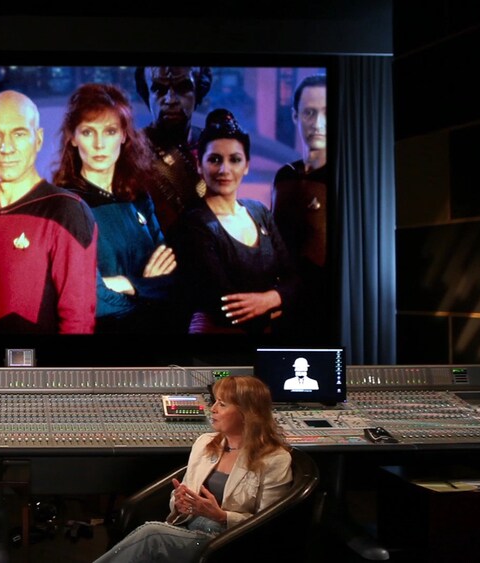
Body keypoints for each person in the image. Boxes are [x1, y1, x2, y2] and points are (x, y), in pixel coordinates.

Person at [95, 375, 291, 563]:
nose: (213, 409)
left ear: (248, 414)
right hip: (190, 527)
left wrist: (222, 516)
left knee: (152, 535)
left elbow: (267, 523)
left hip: (226, 541)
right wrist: (179, 502)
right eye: (215, 401)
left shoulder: (275, 459)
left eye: (222, 404)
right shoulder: (204, 443)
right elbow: (185, 494)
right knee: (148, 537)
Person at [0, 90, 98, 334]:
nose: (6, 147)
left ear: (38, 139)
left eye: (19, 134)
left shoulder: (67, 212)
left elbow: (78, 322)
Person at [52, 83, 177, 333]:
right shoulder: (65, 204)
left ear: (123, 135)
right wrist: (145, 290)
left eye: (109, 131)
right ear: (73, 138)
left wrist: (124, 283)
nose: (99, 144)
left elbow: (172, 280)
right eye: (88, 132)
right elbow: (86, 297)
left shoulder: (139, 198)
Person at [169, 109, 299, 334]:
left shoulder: (259, 212)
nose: (224, 170)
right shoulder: (192, 224)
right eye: (215, 159)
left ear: (246, 165)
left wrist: (269, 300)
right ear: (199, 165)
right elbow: (223, 306)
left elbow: (294, 281)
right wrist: (278, 305)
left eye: (235, 160)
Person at [272, 74, 329, 343]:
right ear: (296, 116)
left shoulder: (343, 177)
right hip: (283, 304)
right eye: (309, 112)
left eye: (326, 112)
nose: (317, 123)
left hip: (324, 307)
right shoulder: (285, 175)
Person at [134, 66, 214, 232]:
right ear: (147, 95)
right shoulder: (131, 152)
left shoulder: (214, 147)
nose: (171, 100)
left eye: (183, 88)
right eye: (159, 89)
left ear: (198, 93)